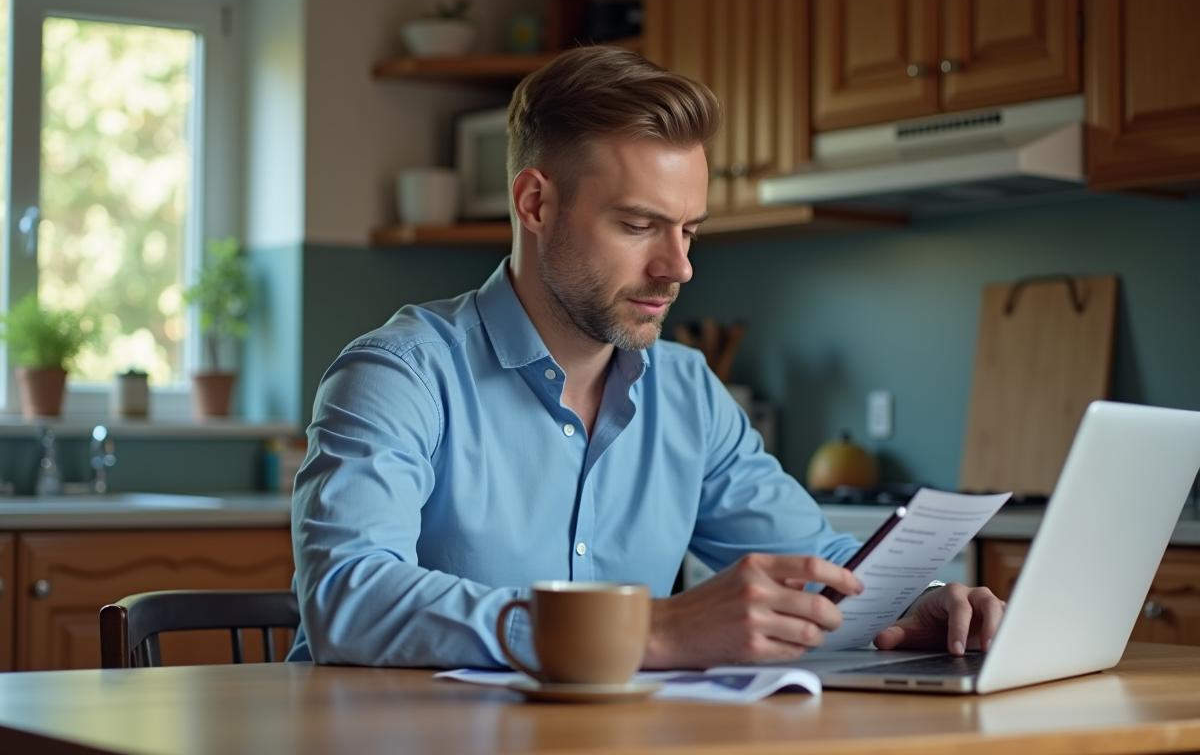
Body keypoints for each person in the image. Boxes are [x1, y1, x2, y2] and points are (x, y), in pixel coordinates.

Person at [288, 46, 1004, 669]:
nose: (679, 267)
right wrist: (649, 629)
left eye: (690, 230)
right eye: (640, 225)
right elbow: (348, 595)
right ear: (535, 204)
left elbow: (817, 572)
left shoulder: (689, 391)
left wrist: (925, 603)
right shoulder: (397, 375)